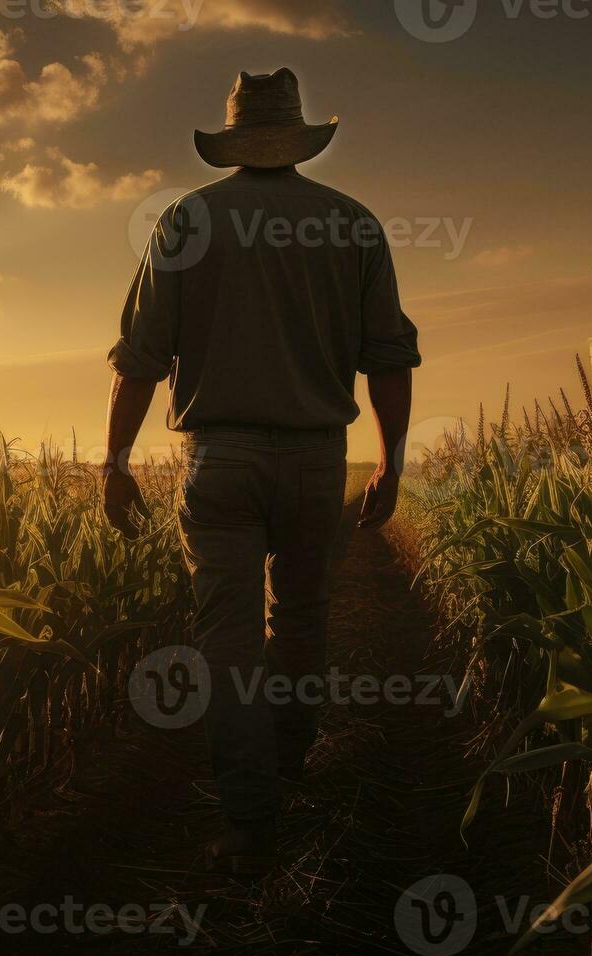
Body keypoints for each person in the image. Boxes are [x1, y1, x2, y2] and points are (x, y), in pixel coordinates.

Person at [101, 68, 420, 875]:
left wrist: (114, 460)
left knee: (229, 645)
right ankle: (288, 763)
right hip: (318, 460)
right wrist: (390, 459)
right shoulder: (351, 225)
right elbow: (388, 356)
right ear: (299, 135)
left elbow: (139, 357)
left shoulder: (187, 220)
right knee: (302, 624)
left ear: (233, 141)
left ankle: (248, 820)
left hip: (220, 461)